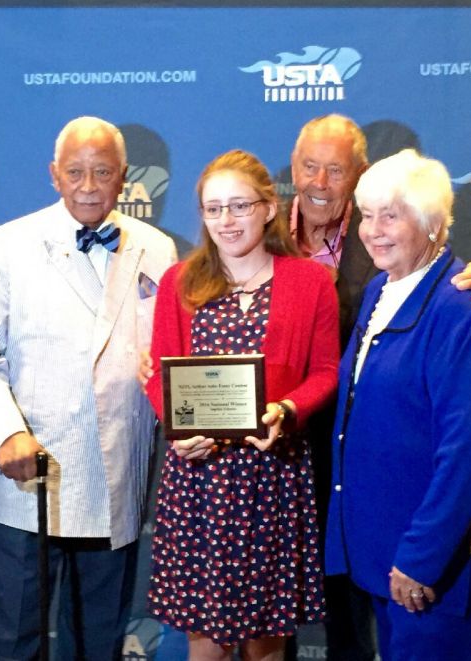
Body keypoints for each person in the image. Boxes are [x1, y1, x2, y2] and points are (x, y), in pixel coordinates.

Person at [289, 113, 471, 661]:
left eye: (390, 217)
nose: (372, 231)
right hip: (375, 544)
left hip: (429, 563)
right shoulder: (378, 291)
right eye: (367, 216)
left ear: (432, 223)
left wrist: (422, 557)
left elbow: (469, 449)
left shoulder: (464, 309)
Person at [0, 116, 177, 660]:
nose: (87, 185)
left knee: (97, 642)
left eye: (101, 172)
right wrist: (5, 434)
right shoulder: (9, 244)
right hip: (28, 476)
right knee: (13, 638)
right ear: (53, 175)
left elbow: (169, 362)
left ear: (123, 178)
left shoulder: (157, 248)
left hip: (115, 477)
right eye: (75, 171)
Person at [145, 149, 339, 660]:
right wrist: (179, 429)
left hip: (272, 479)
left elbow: (324, 372)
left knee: (266, 644)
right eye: (213, 209)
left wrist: (287, 411)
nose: (225, 221)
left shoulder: (311, 282)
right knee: (204, 642)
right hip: (198, 483)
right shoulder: (179, 282)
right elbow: (159, 377)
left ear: (269, 208)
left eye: (239, 206)